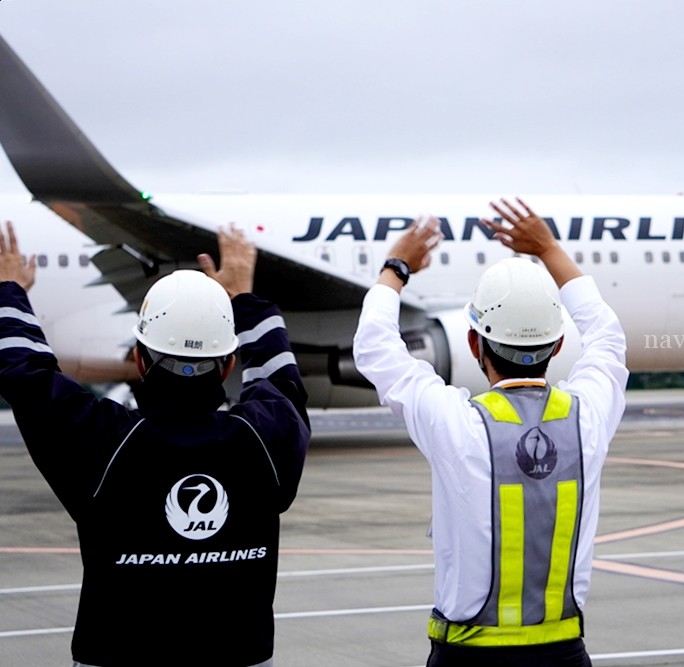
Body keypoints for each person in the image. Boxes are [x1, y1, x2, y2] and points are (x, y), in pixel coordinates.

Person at [0, 221, 310, 667]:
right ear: (227, 366)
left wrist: (11, 289)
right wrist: (244, 295)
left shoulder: (103, 441)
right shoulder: (264, 440)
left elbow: (25, 373)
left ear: (140, 359)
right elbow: (282, 378)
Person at [353, 198, 628, 666]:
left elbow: (375, 344)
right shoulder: (586, 418)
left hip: (468, 655)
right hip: (564, 654)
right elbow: (607, 335)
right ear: (559, 343)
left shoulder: (457, 423)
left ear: (473, 342)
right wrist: (548, 250)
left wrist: (396, 268)